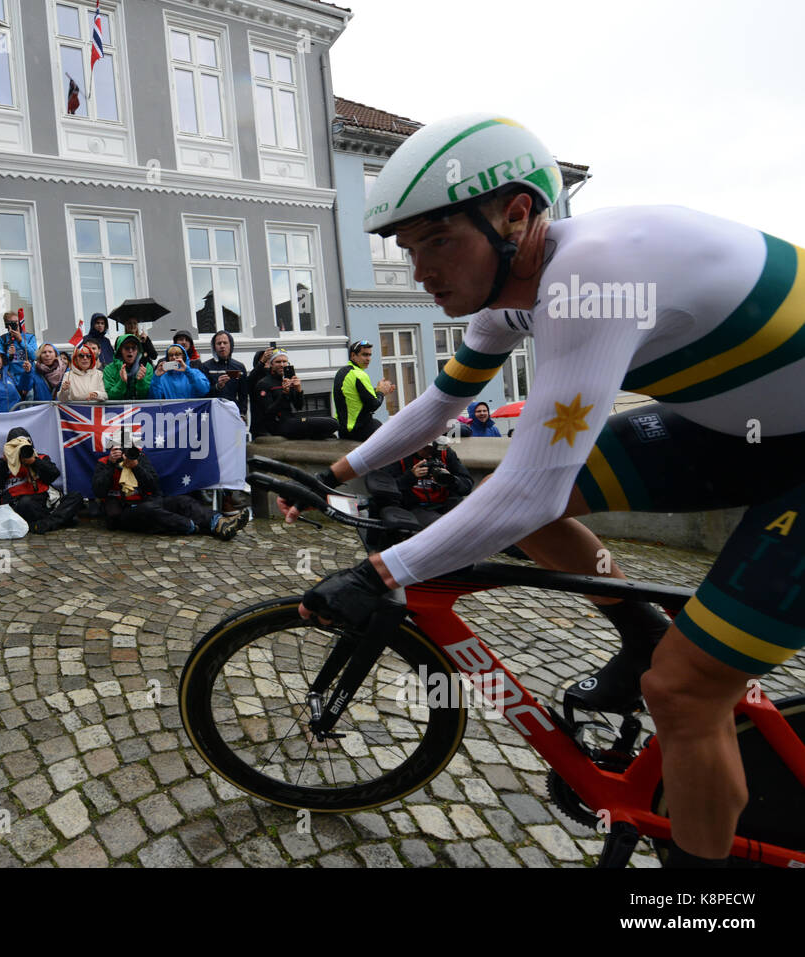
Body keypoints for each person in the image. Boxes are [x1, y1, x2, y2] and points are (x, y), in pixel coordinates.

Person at [286, 111, 805, 868]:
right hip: (748, 424)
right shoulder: (510, 292)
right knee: (523, 505)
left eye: (438, 240)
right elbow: (440, 405)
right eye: (408, 247)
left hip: (769, 432)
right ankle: (642, 634)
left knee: (687, 693)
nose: (419, 268)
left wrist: (381, 573)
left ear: (517, 213)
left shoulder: (592, 275)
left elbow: (529, 489)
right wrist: (332, 472)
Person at [92, 432, 246, 539]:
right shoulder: (104, 463)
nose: (124, 452)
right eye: (120, 448)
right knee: (150, 510)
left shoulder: (139, 459)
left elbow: (153, 486)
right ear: (112, 449)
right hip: (124, 512)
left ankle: (218, 522)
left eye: (127, 448)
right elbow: (99, 491)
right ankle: (192, 526)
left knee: (183, 501)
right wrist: (112, 465)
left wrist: (136, 466)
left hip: (147, 501)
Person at [0, 427, 82, 534]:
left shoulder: (40, 458)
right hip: (19, 505)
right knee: (26, 503)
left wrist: (33, 461)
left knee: (76, 497)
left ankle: (46, 523)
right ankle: (59, 520)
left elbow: (53, 475)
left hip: (44, 504)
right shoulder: (4, 463)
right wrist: (4, 462)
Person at [379, 438, 474, 528]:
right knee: (441, 525)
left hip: (445, 502)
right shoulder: (399, 455)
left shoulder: (445, 453)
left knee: (468, 520)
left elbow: (467, 484)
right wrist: (410, 477)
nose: (429, 455)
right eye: (425, 449)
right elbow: (386, 489)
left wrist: (452, 480)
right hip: (414, 506)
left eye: (433, 450)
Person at [254, 351, 336, 439]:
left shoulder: (286, 380)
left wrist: (298, 389)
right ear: (271, 364)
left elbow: (298, 406)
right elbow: (268, 412)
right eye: (278, 362)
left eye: (284, 361)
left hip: (290, 420)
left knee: (333, 422)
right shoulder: (264, 383)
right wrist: (284, 393)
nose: (282, 364)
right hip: (277, 426)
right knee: (331, 424)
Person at [332, 340, 395, 441]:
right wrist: (381, 392)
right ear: (353, 355)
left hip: (343, 430)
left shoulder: (342, 372)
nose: (368, 359)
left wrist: (379, 390)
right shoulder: (359, 375)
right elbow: (373, 405)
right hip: (359, 431)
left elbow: (355, 396)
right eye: (364, 355)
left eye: (370, 355)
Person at [200, 330, 248, 419]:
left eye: (225, 343)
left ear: (231, 345)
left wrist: (242, 413)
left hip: (233, 413)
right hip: (213, 413)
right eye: (219, 343)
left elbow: (243, 395)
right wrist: (218, 386)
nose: (222, 346)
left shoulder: (239, 367)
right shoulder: (206, 367)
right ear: (214, 347)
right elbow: (203, 393)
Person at [102, 333, 154, 400]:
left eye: (134, 348)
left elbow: (148, 395)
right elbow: (110, 396)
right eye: (127, 348)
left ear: (138, 350)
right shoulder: (109, 369)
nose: (130, 351)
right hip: (117, 409)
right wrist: (122, 382)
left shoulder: (146, 367)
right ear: (120, 350)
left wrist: (141, 381)